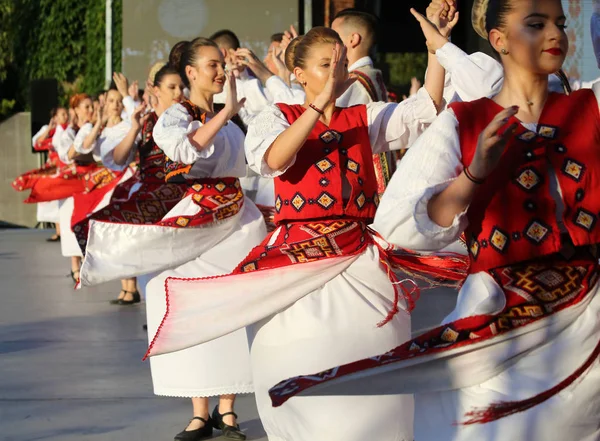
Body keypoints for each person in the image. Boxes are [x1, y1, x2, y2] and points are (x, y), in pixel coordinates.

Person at [275, 1, 600, 440]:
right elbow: (400, 223)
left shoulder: (589, 107)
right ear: (498, 39)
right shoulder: (464, 123)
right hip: (505, 316)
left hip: (589, 314)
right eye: (537, 24)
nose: (555, 34)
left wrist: (438, 50)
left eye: (560, 23)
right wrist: (473, 174)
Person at [144, 19, 453, 441]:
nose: (337, 71)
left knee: (373, 373)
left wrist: (437, 48)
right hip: (296, 257)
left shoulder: (363, 117)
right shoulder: (278, 116)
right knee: (298, 365)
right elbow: (272, 159)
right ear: (300, 75)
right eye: (326, 64)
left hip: (359, 256)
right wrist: (314, 108)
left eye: (341, 63)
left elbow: (425, 111)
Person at [81, 38, 266, 441]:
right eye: (211, 65)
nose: (220, 71)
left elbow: (258, 161)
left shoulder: (231, 114)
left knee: (232, 310)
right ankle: (199, 411)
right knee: (187, 307)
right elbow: (183, 151)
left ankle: (228, 409)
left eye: (222, 64)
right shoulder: (176, 116)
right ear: (191, 73)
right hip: (194, 219)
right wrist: (227, 114)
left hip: (237, 220)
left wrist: (236, 109)